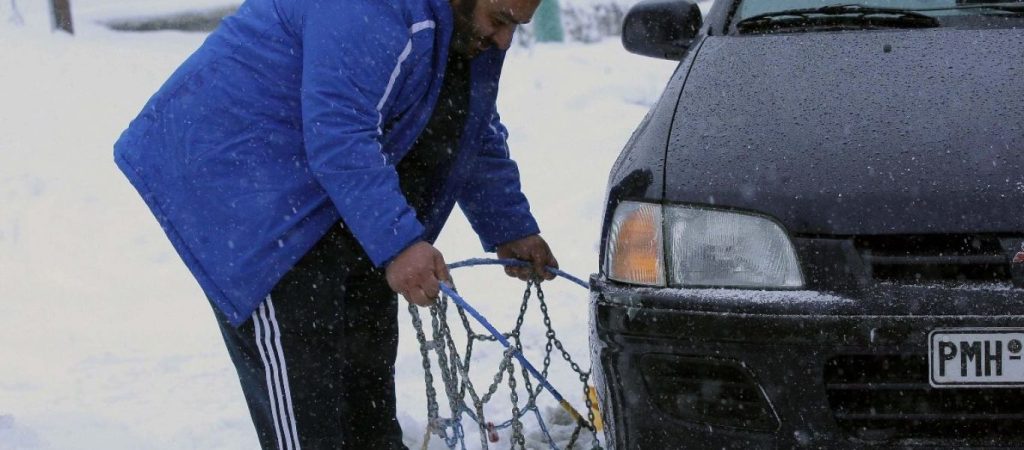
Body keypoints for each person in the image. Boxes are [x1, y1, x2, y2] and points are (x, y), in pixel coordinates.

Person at [113, 0, 558, 447]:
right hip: (242, 181)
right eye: (499, 20)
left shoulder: (458, 29)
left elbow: (462, 121)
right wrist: (400, 244)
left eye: (515, 26)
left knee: (364, 391)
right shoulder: (369, 7)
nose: (503, 39)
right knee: (308, 400)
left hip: (324, 183)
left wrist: (509, 224)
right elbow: (340, 130)